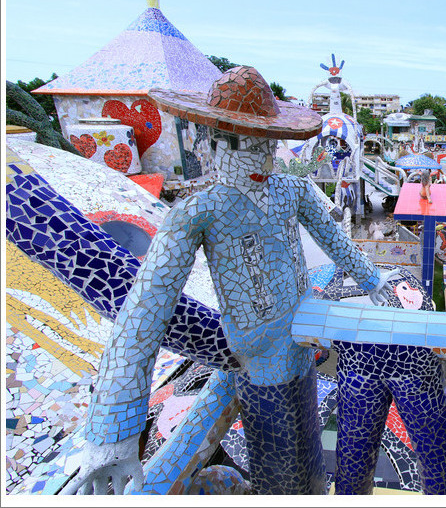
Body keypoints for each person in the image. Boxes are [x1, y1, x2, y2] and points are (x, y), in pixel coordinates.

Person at [61, 66, 394, 495]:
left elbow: (334, 239)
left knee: (306, 461)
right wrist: (113, 430)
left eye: (263, 144)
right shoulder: (198, 212)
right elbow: (146, 307)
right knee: (283, 474)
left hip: (300, 348)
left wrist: (371, 278)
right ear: (213, 144)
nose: (256, 157)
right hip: (259, 370)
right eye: (239, 143)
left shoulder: (291, 191)